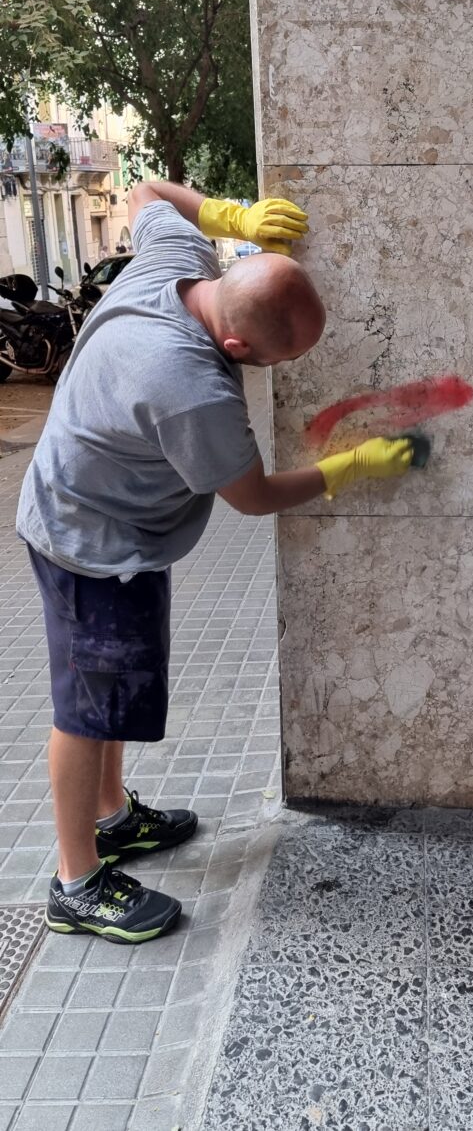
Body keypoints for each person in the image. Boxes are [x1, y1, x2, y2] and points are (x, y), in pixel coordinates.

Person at [16, 179, 416, 945]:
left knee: (111, 693)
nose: (272, 372)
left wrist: (229, 213)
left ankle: (112, 819)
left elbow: (143, 191)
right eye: (274, 361)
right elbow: (254, 495)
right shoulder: (191, 388)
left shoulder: (175, 255)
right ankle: (75, 883)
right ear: (236, 349)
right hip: (86, 543)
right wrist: (350, 467)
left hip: (113, 526)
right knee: (83, 706)